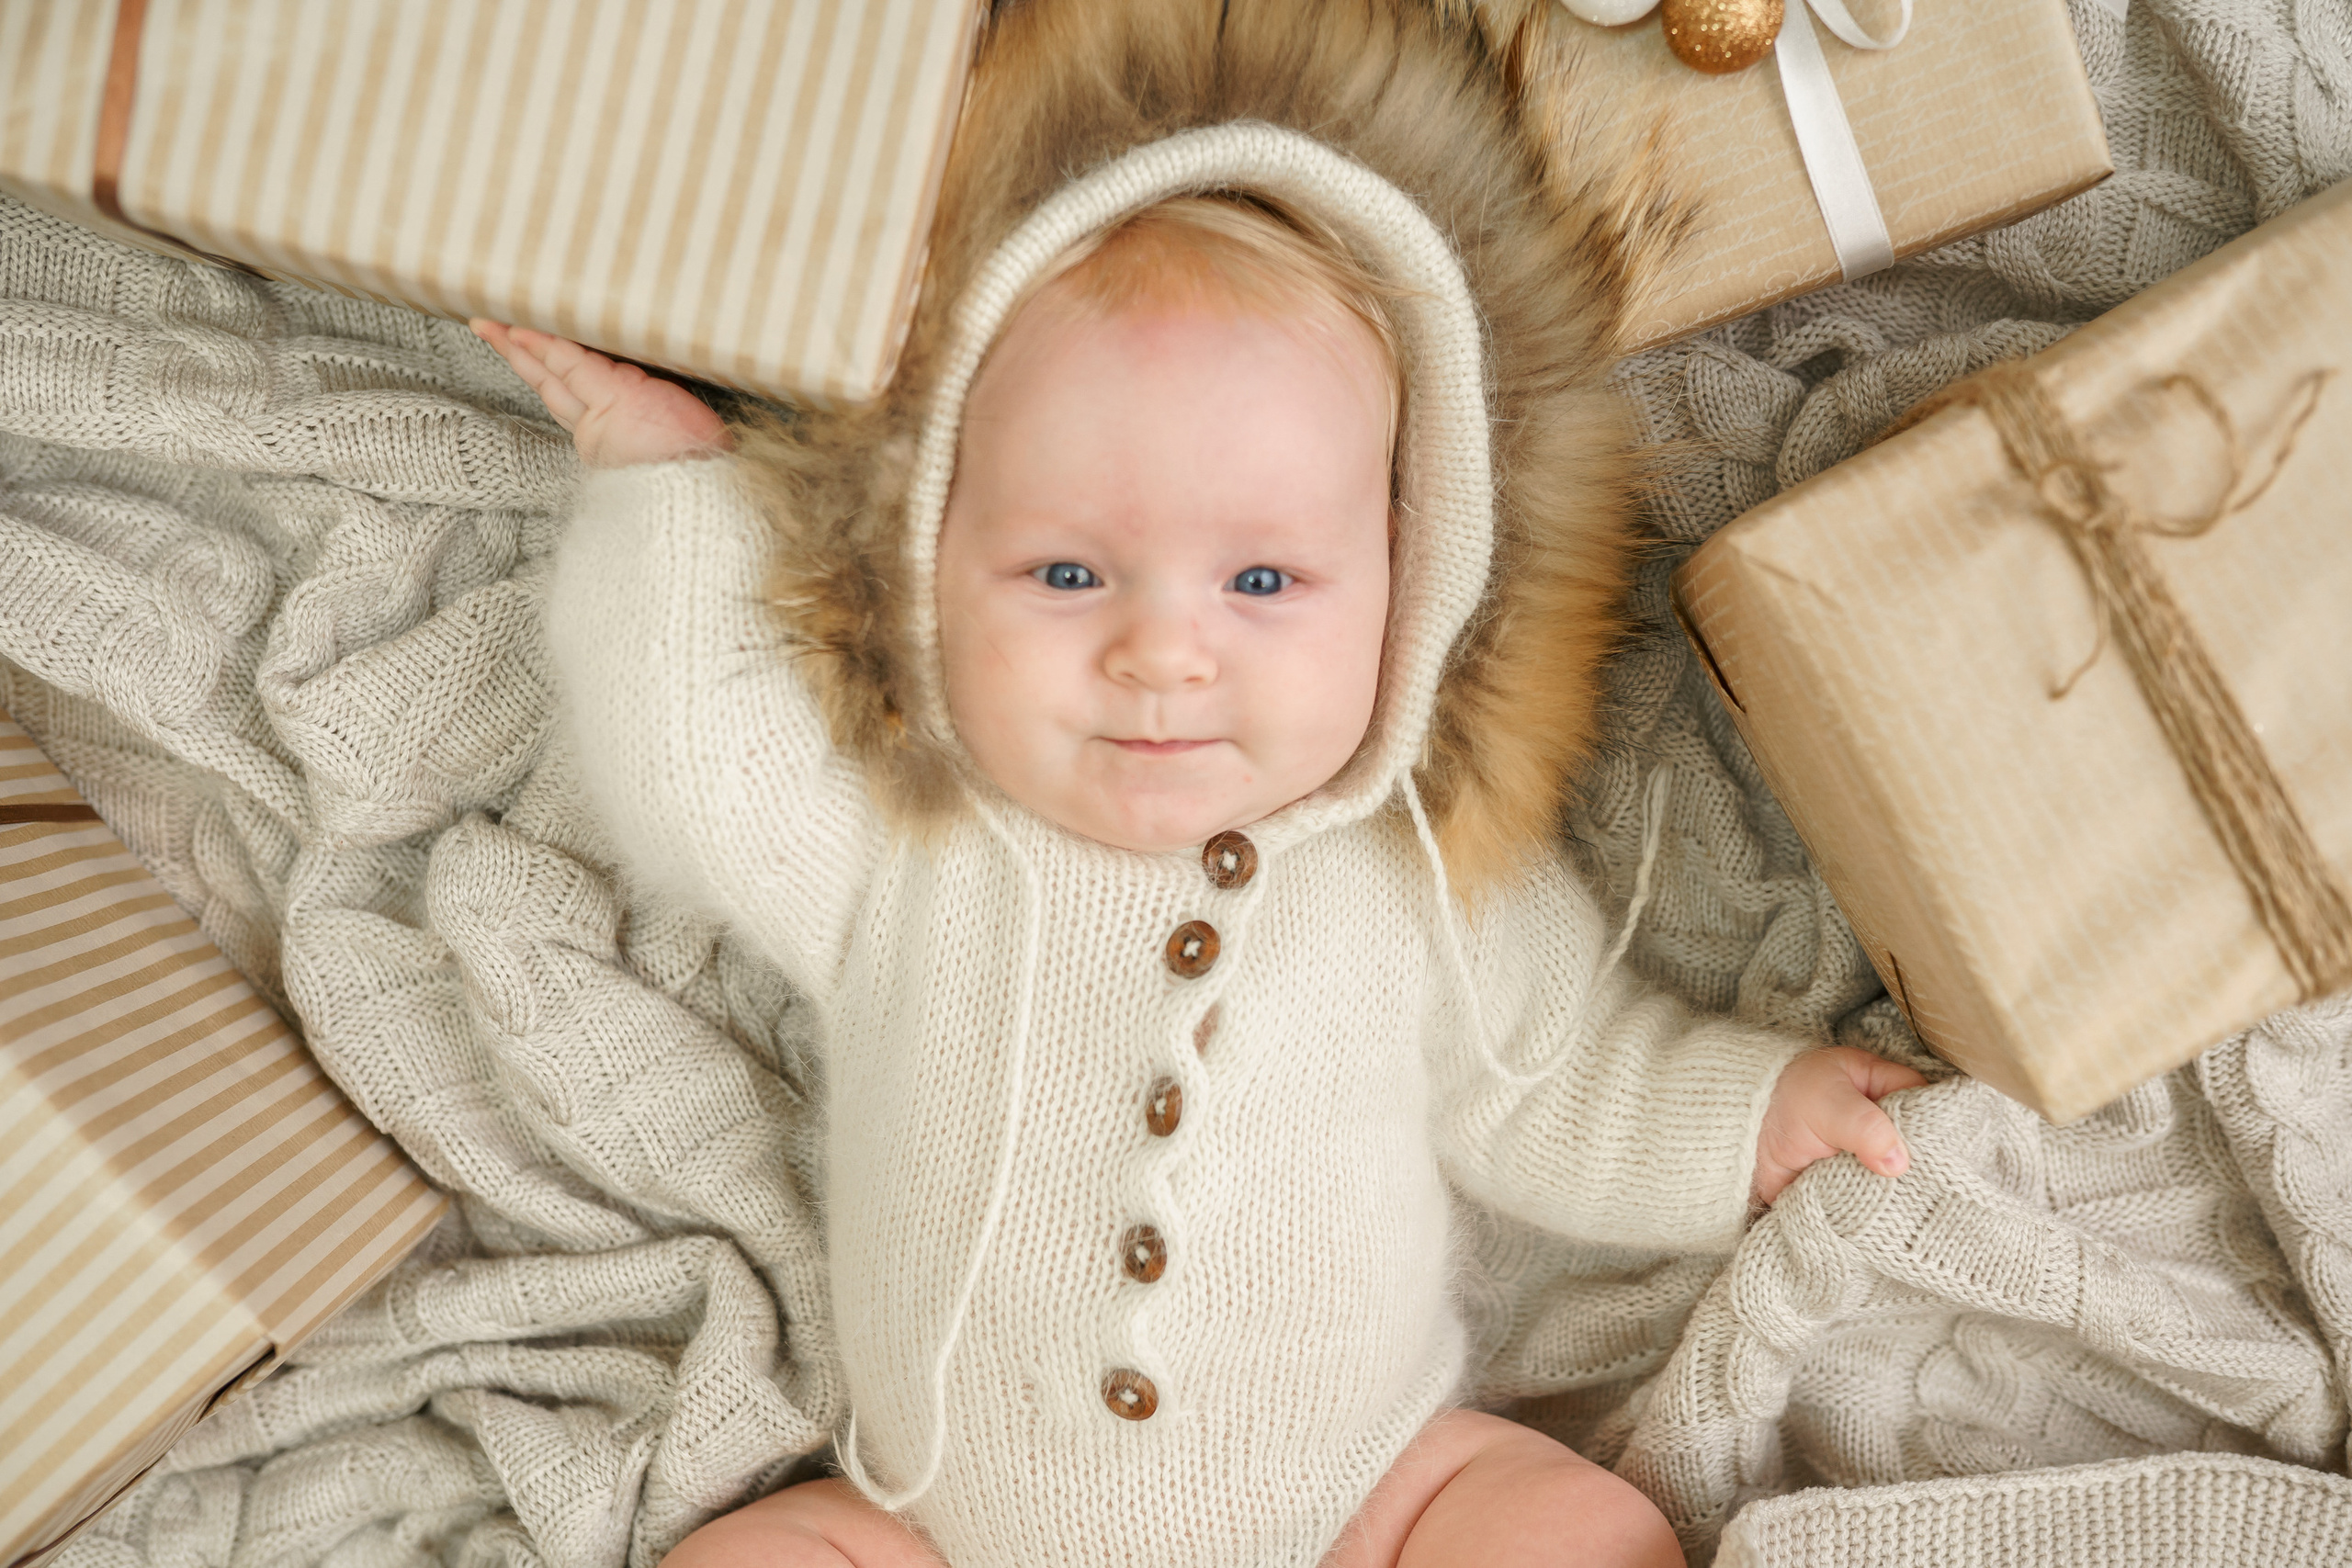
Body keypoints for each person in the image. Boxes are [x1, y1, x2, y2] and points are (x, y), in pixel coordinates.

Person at [475, 22, 1922, 1566]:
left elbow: (1554, 1074)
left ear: (1409, 588)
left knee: (1571, 1532)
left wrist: (1749, 1117)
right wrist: (666, 483)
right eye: (1068, 571)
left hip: (1369, 1499)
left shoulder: (1412, 871)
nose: (1162, 652)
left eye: (1261, 578)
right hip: (939, 1530)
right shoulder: (914, 849)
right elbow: (701, 759)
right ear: (925, 579)